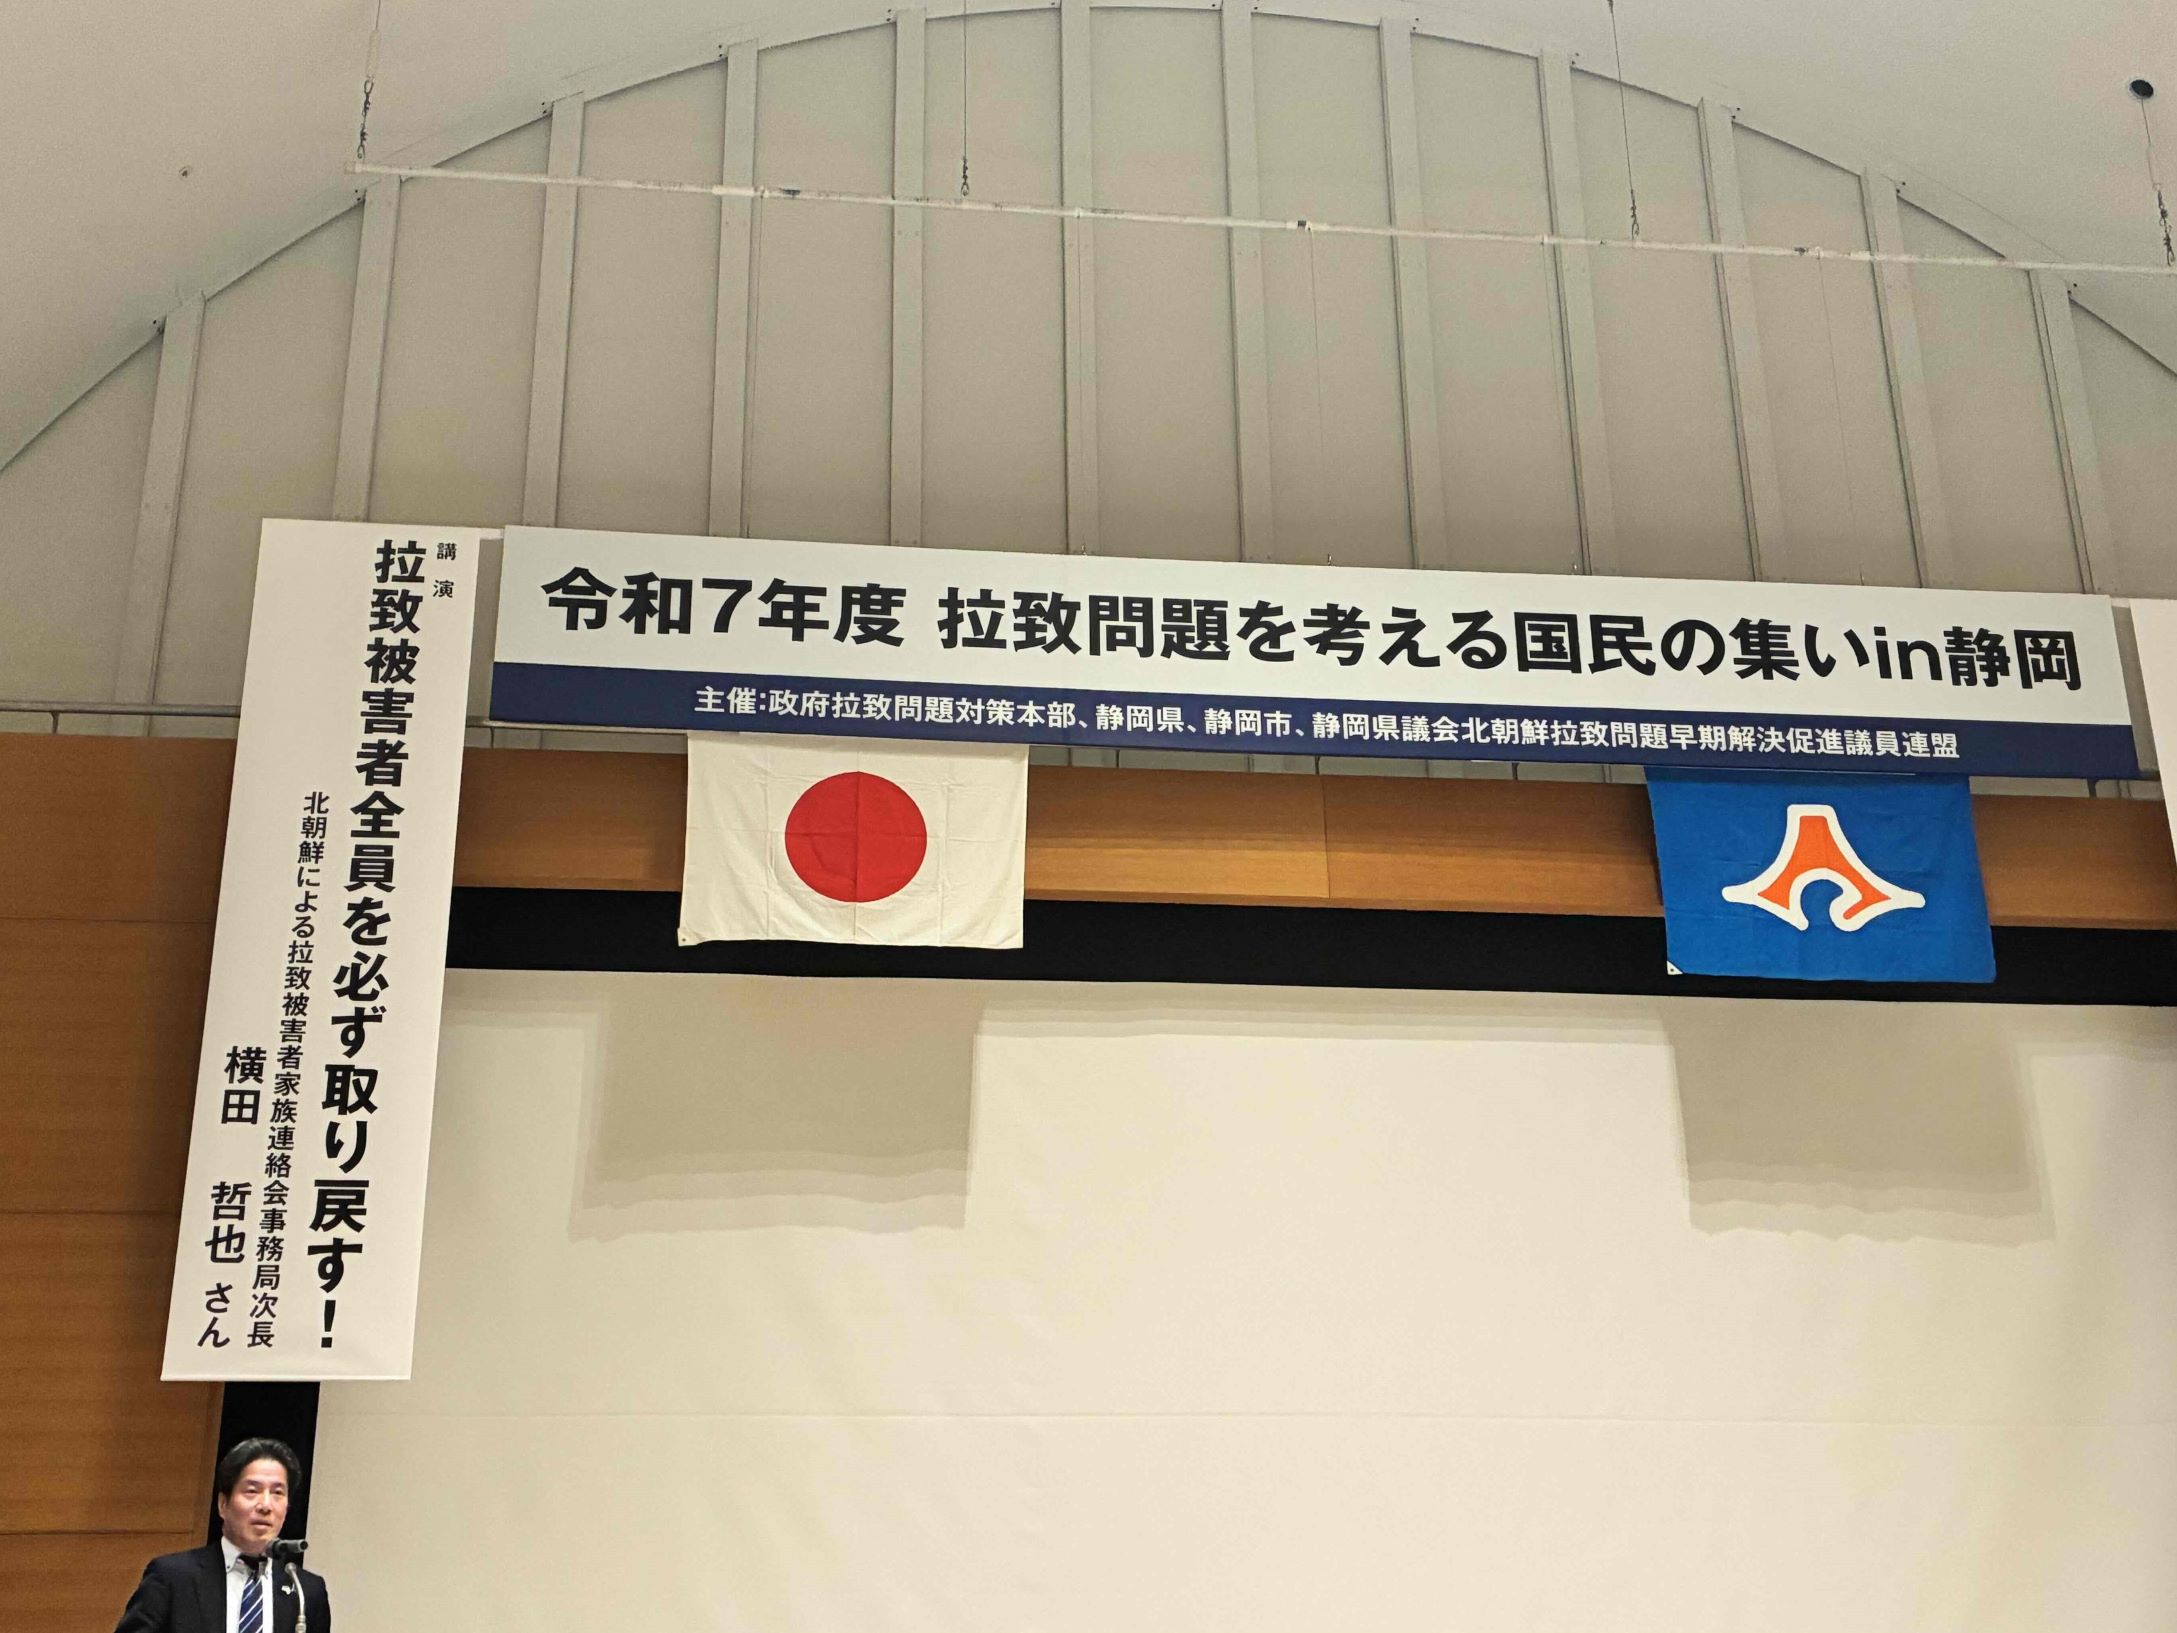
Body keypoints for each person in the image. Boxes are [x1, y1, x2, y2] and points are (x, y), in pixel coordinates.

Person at [113, 1437, 332, 1633]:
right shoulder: (173, 1577)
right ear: (223, 1504)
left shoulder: (305, 1591)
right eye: (252, 1491)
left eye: (277, 1493)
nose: (266, 1505)